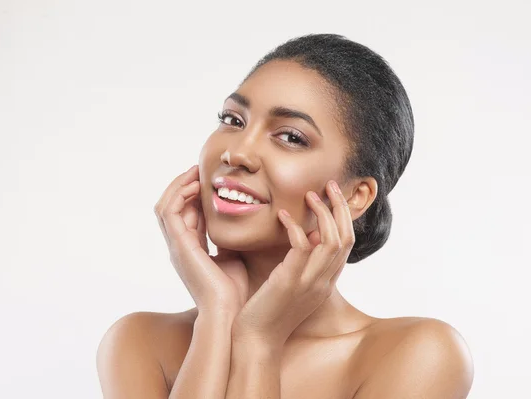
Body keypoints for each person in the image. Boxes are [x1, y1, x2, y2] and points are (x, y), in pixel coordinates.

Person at [96, 33, 474, 398]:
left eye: (291, 137)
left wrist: (258, 340)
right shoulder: (139, 342)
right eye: (233, 120)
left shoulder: (419, 355)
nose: (237, 153)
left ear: (356, 196)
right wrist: (216, 315)